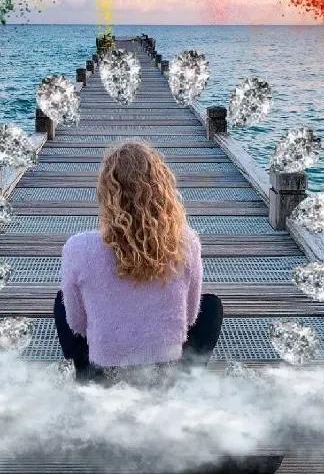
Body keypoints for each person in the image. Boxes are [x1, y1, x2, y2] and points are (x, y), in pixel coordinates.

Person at [53, 139, 223, 384]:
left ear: (106, 193)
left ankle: (86, 378)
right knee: (212, 307)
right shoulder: (186, 241)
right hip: (167, 373)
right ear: (163, 190)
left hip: (102, 375)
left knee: (62, 302)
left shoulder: (77, 248)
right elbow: (189, 318)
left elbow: (78, 325)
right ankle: (184, 380)